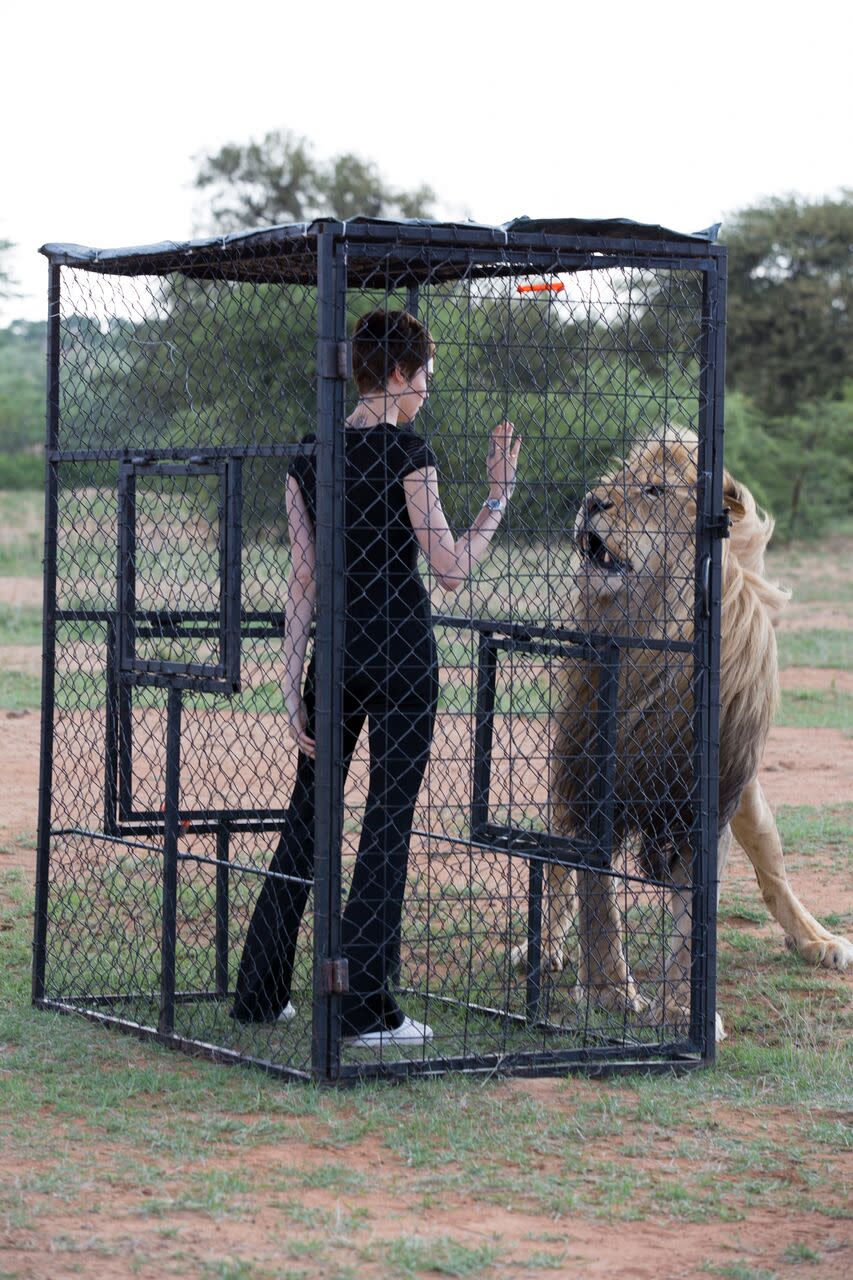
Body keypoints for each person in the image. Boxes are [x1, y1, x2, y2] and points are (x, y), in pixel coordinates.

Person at [232, 309, 521, 1047]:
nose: (426, 388)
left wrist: (290, 669)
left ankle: (260, 994)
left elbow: (304, 574)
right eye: (423, 373)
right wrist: (497, 498)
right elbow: (451, 570)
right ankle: (365, 1011)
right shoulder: (408, 454)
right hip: (401, 657)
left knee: (307, 816)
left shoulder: (310, 453)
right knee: (385, 826)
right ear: (396, 372)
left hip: (335, 655)